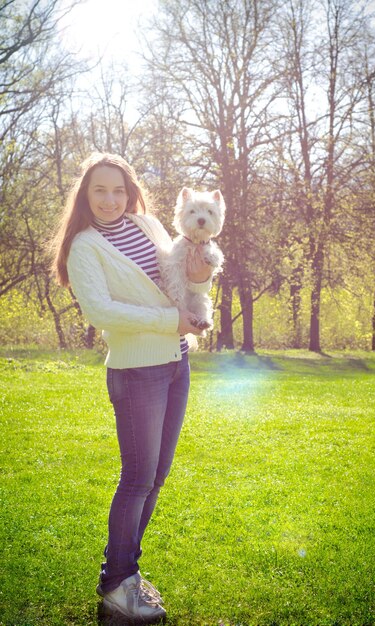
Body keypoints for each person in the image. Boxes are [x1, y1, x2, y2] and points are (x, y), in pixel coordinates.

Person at [51, 152, 212, 622]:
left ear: (131, 191)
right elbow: (101, 312)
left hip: (176, 363)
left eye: (118, 189)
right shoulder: (84, 247)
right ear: (85, 194)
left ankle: (124, 576)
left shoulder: (148, 225)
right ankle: (118, 586)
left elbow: (179, 280)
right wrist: (171, 320)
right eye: (100, 190)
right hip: (136, 371)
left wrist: (201, 278)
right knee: (137, 479)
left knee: (157, 477)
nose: (110, 199)